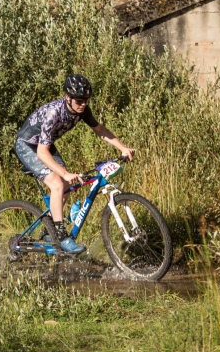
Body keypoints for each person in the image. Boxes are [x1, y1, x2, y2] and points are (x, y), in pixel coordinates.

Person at [14, 74, 135, 254]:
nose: (83, 104)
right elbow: (41, 152)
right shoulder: (54, 113)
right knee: (57, 183)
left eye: (86, 100)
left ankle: (50, 231)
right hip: (28, 146)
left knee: (64, 185)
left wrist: (123, 147)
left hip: (45, 145)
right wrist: (64, 173)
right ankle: (62, 237)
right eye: (79, 100)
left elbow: (99, 130)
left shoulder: (82, 109)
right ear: (67, 98)